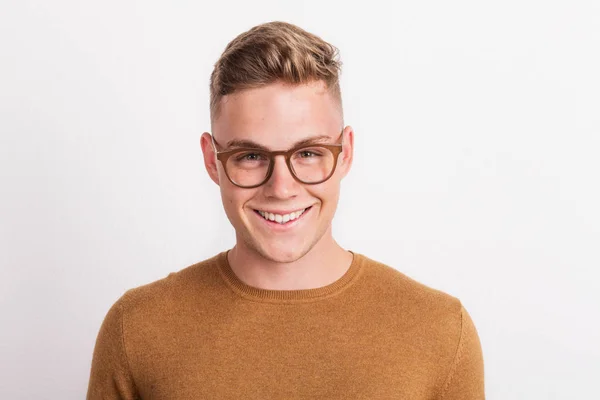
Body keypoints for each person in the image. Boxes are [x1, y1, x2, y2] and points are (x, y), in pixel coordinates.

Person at [87, 21, 485, 399]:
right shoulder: (138, 329)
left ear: (345, 153)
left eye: (309, 152)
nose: (282, 188)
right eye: (251, 156)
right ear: (212, 160)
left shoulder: (440, 332)